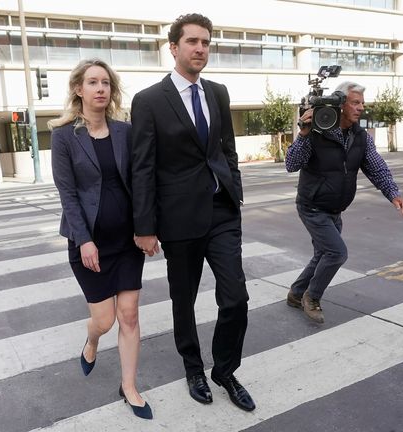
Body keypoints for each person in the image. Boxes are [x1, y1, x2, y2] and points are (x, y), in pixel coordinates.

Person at [130, 13, 255, 412]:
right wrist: (145, 227)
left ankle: (225, 369)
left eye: (205, 42)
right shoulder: (149, 100)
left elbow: (226, 148)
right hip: (179, 219)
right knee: (182, 300)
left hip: (221, 213)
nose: (200, 48)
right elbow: (143, 167)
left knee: (235, 298)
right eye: (192, 42)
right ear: (173, 47)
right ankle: (193, 368)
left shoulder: (217, 92)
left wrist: (233, 188)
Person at [50, 59, 153, 420]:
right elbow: (68, 194)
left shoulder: (125, 131)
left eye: (105, 83)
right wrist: (84, 240)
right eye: (92, 82)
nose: (100, 89)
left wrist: (148, 227)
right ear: (78, 89)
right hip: (89, 243)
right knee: (105, 320)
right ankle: (92, 341)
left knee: (129, 315)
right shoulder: (63, 136)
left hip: (126, 241)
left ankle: (129, 386)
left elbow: (142, 181)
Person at [285, 81, 403, 323]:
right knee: (336, 252)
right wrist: (303, 133)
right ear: (340, 105)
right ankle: (312, 297)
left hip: (335, 209)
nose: (361, 107)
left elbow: (377, 168)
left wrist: (394, 193)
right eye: (356, 102)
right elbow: (291, 164)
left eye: (362, 102)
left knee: (323, 253)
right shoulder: (316, 132)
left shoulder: (360, 137)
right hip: (312, 206)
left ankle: (296, 293)